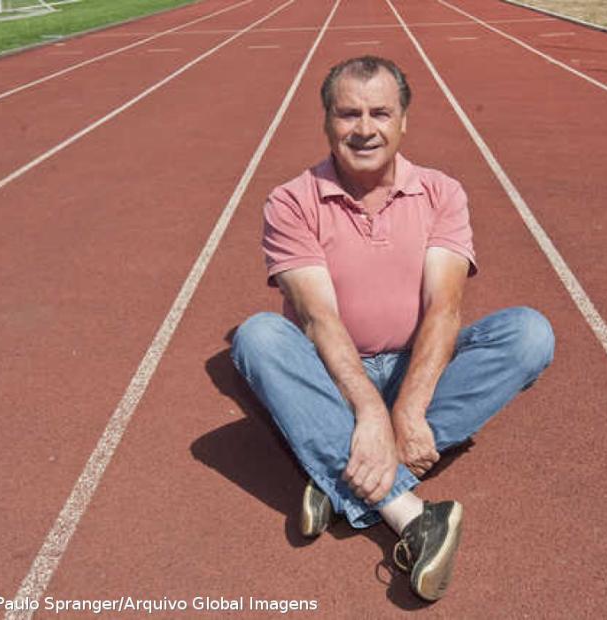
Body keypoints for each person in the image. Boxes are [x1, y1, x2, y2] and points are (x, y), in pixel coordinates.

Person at [231, 56, 555, 602]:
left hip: (416, 367)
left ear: (404, 120)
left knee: (530, 334)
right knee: (258, 337)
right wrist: (369, 410)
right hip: (332, 375)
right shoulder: (290, 201)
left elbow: (445, 308)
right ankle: (411, 514)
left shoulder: (441, 192)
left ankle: (338, 476)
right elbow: (317, 318)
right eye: (348, 114)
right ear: (326, 122)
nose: (364, 129)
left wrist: (404, 410)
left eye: (380, 112)